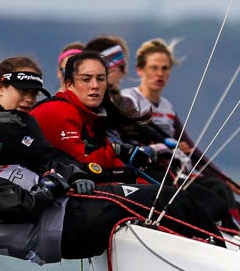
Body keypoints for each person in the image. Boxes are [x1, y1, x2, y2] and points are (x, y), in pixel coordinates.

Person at [0, 119, 227, 264]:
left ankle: (208, 249)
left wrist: (63, 176)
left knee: (167, 198)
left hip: (73, 220)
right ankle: (220, 259)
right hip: (71, 226)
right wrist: (53, 183)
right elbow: (25, 206)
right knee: (165, 198)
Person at [120, 38, 240, 203]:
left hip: (174, 169)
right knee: (216, 191)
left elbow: (193, 152)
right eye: (154, 68)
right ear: (140, 70)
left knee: (222, 190)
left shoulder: (168, 108)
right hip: (148, 171)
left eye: (165, 68)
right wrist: (168, 146)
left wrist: (231, 182)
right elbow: (130, 137)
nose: (160, 74)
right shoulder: (128, 99)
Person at [32, 50, 157, 182]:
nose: (95, 86)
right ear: (69, 84)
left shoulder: (94, 115)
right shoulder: (60, 110)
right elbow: (81, 168)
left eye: (100, 79)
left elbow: (114, 165)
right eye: (86, 79)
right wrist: (116, 150)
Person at [0, 55, 86, 182]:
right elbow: (45, 156)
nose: (29, 99)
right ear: (0, 88)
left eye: (34, 93)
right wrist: (81, 173)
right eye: (23, 91)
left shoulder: (24, 120)